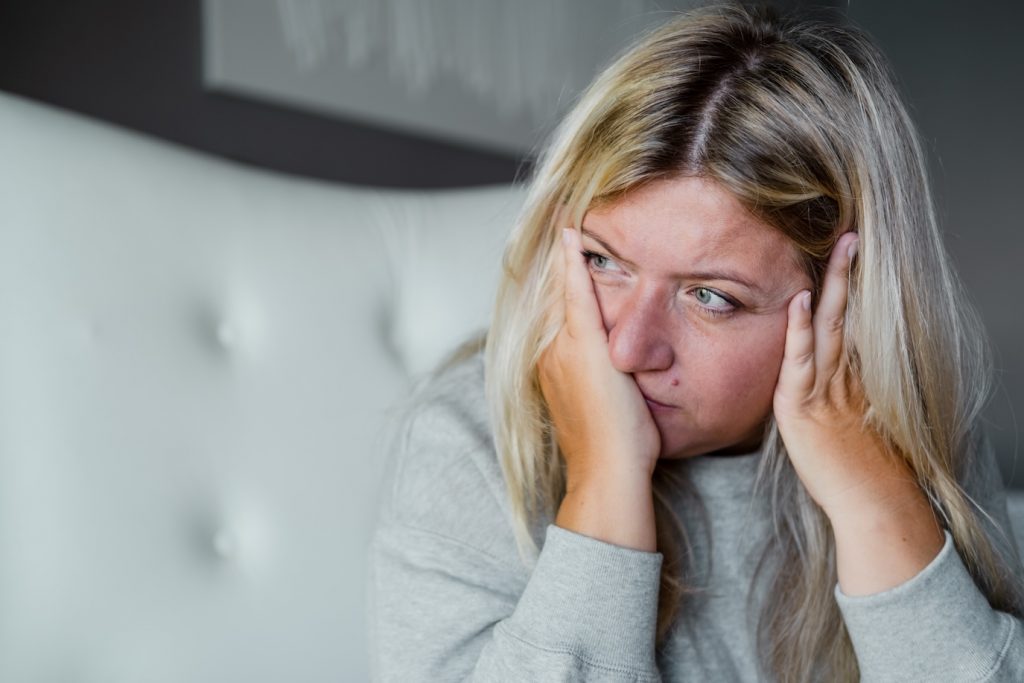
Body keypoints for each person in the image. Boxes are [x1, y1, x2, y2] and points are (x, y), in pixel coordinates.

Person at [367, 3, 1024, 681]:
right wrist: (603, 483)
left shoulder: (911, 439)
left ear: (846, 304)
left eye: (711, 296)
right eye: (603, 260)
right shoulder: (467, 441)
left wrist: (873, 495)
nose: (627, 348)